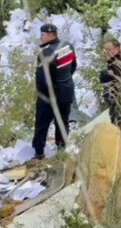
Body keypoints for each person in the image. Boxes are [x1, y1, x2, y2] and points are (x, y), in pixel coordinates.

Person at [32, 23, 77, 159]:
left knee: (42, 123)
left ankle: (39, 152)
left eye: (43, 35)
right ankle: (61, 150)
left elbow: (42, 79)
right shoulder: (68, 46)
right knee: (62, 122)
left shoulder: (46, 52)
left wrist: (43, 95)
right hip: (67, 92)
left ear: (51, 35)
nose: (41, 37)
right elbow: (73, 66)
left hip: (51, 95)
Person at [100, 39, 121, 127]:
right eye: (105, 49)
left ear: (117, 49)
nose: (106, 52)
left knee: (118, 122)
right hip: (113, 99)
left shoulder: (119, 63)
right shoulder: (111, 62)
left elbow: (105, 78)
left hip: (118, 98)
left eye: (109, 49)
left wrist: (105, 73)